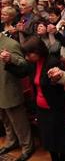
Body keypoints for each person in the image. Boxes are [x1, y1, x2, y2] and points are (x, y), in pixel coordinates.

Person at [21, 36, 65, 161]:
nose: (27, 57)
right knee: (47, 138)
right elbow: (22, 73)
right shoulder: (33, 63)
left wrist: (54, 80)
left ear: (37, 51)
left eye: (28, 54)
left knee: (59, 138)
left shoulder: (52, 62)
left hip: (54, 107)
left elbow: (61, 84)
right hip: (41, 108)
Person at [0, 32, 34, 161]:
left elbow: (24, 65)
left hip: (9, 90)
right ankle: (11, 142)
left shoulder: (11, 44)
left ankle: (27, 147)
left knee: (19, 122)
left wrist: (11, 59)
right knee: (5, 121)